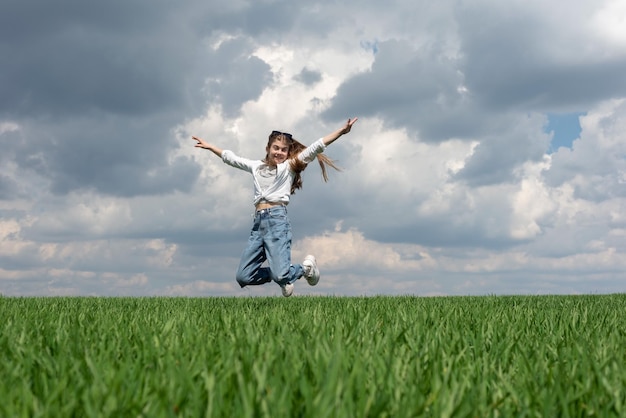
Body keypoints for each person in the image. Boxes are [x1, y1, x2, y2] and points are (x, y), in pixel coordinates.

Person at [192, 118, 358, 297]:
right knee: (243, 276)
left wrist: (341, 131)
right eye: (276, 148)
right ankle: (284, 276)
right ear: (268, 148)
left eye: (283, 150)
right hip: (258, 225)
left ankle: (304, 270)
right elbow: (231, 159)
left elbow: (317, 146)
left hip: (277, 221)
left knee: (281, 274)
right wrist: (210, 147)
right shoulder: (256, 167)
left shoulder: (289, 167)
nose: (279, 152)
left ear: (288, 152)